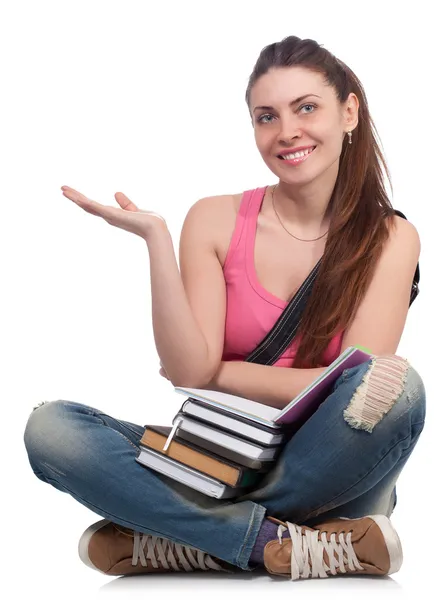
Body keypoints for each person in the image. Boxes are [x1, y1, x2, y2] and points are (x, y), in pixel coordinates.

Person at [23, 35, 425, 581]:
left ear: (349, 111)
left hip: (331, 468)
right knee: (51, 430)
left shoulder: (391, 237)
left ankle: (186, 536)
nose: (287, 132)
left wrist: (225, 372)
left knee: (398, 389)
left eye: (307, 107)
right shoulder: (215, 219)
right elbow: (190, 370)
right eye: (267, 116)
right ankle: (286, 544)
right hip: (219, 463)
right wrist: (157, 241)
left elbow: (359, 381)